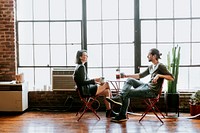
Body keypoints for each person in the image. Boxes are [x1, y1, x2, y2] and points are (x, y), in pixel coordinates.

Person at [106, 48, 174, 122]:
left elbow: (171, 78)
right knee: (129, 80)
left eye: (149, 55)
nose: (147, 56)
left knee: (127, 93)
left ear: (154, 56)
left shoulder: (161, 66)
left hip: (151, 91)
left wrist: (159, 75)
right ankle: (120, 98)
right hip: (147, 86)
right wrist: (126, 76)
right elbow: (140, 75)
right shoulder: (151, 66)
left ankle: (122, 114)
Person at [73, 50, 116, 118]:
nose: (87, 56)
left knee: (107, 91)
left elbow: (85, 80)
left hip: (85, 89)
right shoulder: (81, 67)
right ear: (80, 57)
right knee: (107, 84)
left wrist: (97, 79)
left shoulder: (79, 66)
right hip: (86, 91)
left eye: (87, 55)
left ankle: (109, 111)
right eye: (85, 55)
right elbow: (82, 82)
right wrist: (94, 81)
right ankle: (114, 100)